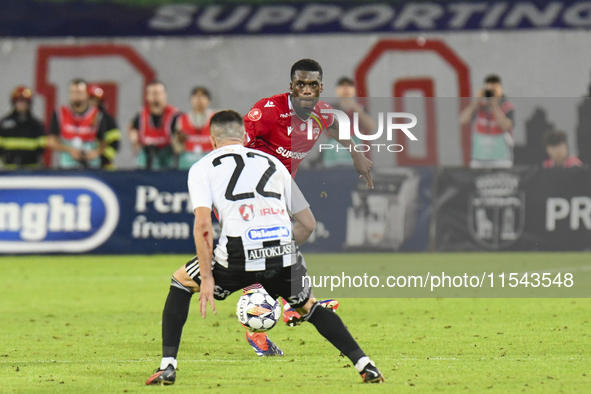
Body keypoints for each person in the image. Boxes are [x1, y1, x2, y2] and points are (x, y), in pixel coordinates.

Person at [145, 110, 384, 386]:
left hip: (236, 251)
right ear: (246, 136)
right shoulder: (273, 162)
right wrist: (277, 254)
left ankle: (168, 367)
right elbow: (307, 224)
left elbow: (203, 226)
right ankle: (366, 365)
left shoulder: (202, 167)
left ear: (211, 141)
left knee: (181, 282)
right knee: (310, 306)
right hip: (282, 247)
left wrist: (208, 278)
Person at [239, 59, 374, 356]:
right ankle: (289, 303)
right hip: (254, 185)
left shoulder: (322, 113)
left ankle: (278, 302)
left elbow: (337, 126)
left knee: (306, 226)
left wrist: (356, 154)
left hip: (283, 183)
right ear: (291, 86)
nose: (306, 90)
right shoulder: (271, 110)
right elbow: (238, 139)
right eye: (300, 84)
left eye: (313, 85)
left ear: (320, 88)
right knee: (276, 243)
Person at [48, 78, 108, 169]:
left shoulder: (97, 115)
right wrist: (70, 150)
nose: (76, 96)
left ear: (87, 94)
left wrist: (95, 152)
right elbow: (51, 142)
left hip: (91, 166)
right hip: (66, 165)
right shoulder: (60, 113)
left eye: (79, 92)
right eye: (73, 92)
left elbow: (104, 142)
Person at [459, 74, 515, 168]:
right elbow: (462, 120)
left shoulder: (507, 107)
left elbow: (506, 126)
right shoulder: (479, 107)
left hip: (501, 158)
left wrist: (495, 106)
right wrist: (476, 102)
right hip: (479, 157)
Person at [320, 76, 376, 167]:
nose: (345, 90)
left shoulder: (359, 108)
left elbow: (371, 126)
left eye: (348, 87)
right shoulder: (330, 108)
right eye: (342, 87)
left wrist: (355, 108)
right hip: (333, 153)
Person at [129, 81, 179, 170]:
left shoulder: (174, 115)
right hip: (146, 157)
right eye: (152, 94)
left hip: (166, 158)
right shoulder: (141, 115)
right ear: (147, 96)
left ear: (165, 95)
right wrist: (134, 141)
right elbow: (132, 129)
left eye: (158, 93)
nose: (155, 97)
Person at [0, 86, 46, 169]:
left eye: (25, 102)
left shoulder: (36, 125)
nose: (22, 104)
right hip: (9, 169)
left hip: (31, 169)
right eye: (19, 101)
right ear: (14, 103)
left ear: (29, 104)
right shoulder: (4, 123)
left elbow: (41, 148)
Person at [173, 86, 215, 170]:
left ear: (208, 100)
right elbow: (176, 147)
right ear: (191, 100)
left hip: (209, 162)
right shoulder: (181, 119)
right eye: (196, 96)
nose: (199, 100)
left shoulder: (215, 118)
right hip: (187, 163)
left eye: (203, 96)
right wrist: (179, 140)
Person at [87, 84, 121, 170]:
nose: (93, 103)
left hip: (103, 168)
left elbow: (115, 143)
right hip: (80, 164)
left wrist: (102, 158)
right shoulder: (78, 117)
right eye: (91, 99)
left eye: (97, 101)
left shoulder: (108, 120)